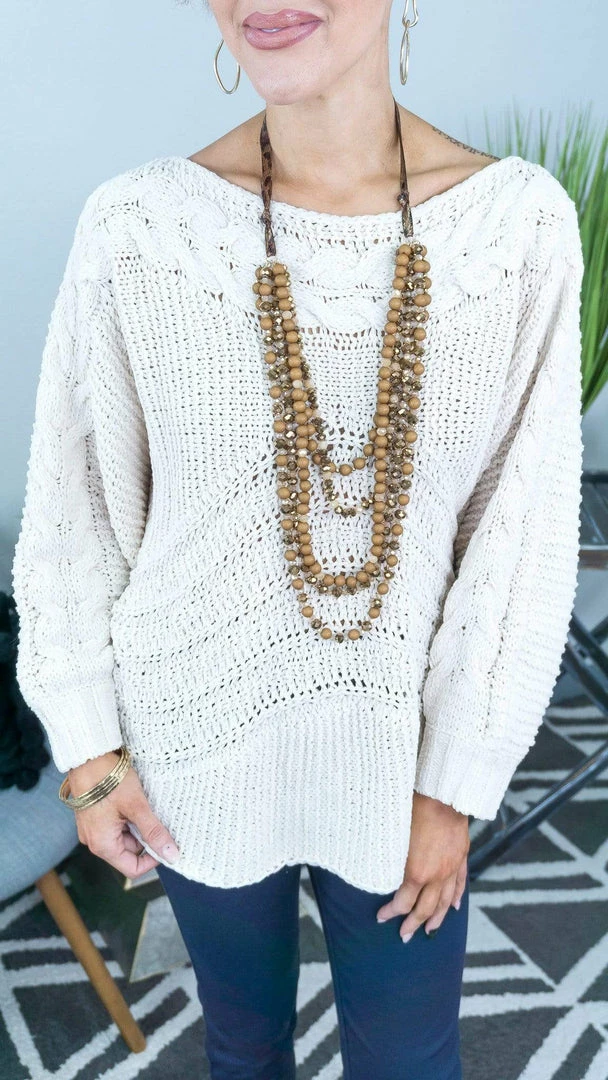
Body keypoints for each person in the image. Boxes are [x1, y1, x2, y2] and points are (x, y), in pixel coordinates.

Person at [11, 1, 585, 1077]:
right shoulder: (138, 229)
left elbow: (518, 538)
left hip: (398, 761)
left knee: (409, 1060)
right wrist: (88, 751)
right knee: (243, 1050)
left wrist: (453, 785)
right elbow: (72, 512)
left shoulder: (514, 230)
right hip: (195, 746)